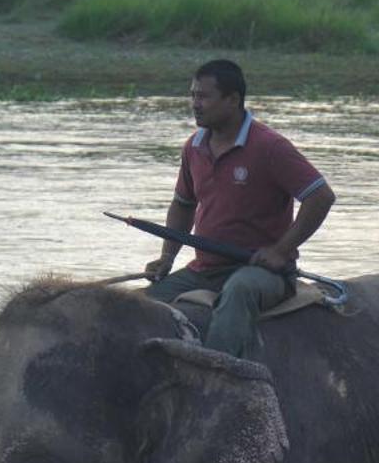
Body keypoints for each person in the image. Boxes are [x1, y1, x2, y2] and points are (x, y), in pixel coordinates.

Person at [143, 59, 335, 361]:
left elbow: (321, 197)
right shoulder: (193, 147)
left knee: (239, 291)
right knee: (141, 306)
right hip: (204, 270)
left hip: (261, 272)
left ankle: (214, 377)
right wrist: (167, 257)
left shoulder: (270, 147)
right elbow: (183, 205)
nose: (195, 104)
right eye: (193, 95)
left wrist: (281, 250)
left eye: (204, 96)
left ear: (232, 100)